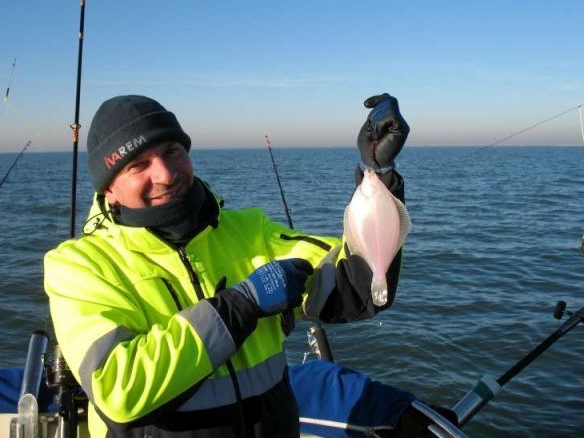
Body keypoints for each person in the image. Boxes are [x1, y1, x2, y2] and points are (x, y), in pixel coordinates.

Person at [44, 93, 413, 438]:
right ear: (108, 187)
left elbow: (360, 288)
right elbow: (118, 389)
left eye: (172, 151)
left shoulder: (251, 230)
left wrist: (377, 173)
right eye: (138, 165)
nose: (166, 174)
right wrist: (243, 303)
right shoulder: (78, 265)